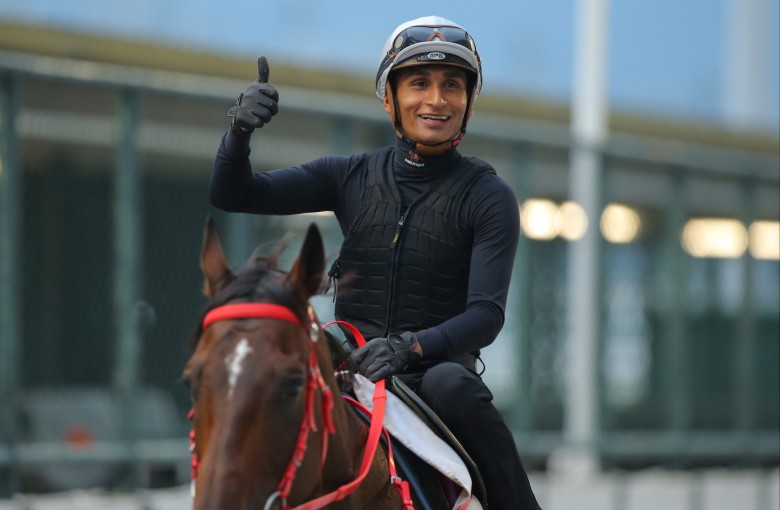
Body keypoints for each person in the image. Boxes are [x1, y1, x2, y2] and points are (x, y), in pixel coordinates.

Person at [210, 15, 541, 510]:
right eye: (419, 84)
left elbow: (486, 315)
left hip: (432, 383)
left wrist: (409, 349)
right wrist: (238, 131)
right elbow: (234, 192)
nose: (436, 100)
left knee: (452, 383)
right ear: (389, 97)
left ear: (469, 101)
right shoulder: (349, 175)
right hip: (349, 367)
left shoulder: (490, 197)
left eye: (452, 85)